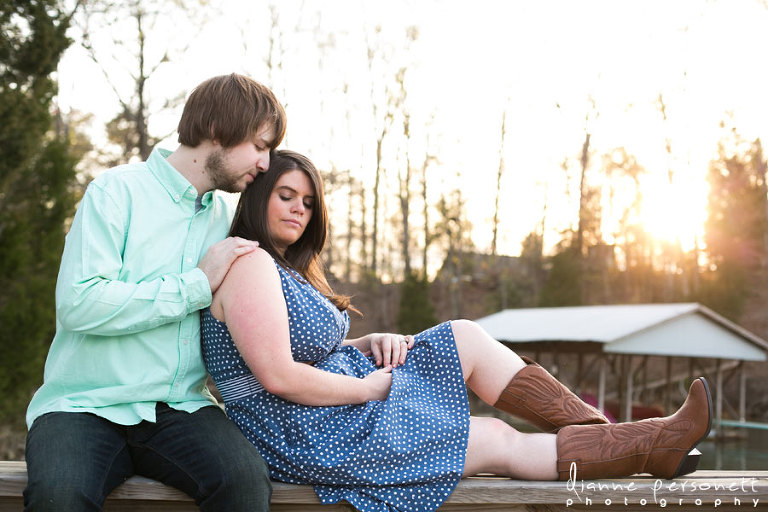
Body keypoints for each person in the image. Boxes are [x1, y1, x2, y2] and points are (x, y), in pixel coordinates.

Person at [201, 150, 713, 512]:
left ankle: (631, 442)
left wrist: (364, 343)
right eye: (286, 195)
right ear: (258, 196)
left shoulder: (283, 267)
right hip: (304, 430)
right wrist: (368, 385)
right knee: (491, 437)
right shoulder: (249, 264)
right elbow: (278, 376)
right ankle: (645, 445)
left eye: (309, 202)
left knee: (464, 335)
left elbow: (293, 345)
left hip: (331, 404)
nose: (299, 209)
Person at [24, 73, 287, 512]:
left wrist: (353, 346)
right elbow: (80, 303)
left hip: (180, 409)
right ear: (218, 131)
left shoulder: (229, 218)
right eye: (260, 146)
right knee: (59, 497)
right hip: (82, 405)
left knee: (244, 483)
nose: (264, 163)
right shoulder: (115, 192)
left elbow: (262, 320)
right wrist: (196, 286)